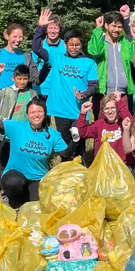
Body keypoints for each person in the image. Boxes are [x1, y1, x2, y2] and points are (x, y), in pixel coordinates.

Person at [0, 97, 78, 208]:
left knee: (37, 207)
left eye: (40, 111)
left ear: (45, 113)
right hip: (16, 174)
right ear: (27, 114)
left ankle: (28, 203)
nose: (36, 115)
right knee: (12, 182)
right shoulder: (17, 127)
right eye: (32, 112)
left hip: (39, 178)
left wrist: (75, 141)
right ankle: (16, 204)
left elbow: (65, 154)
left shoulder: (53, 135)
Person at [32, 9, 98, 161]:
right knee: (65, 142)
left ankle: (80, 164)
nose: (74, 47)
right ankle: (66, 166)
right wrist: (40, 28)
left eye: (77, 44)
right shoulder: (57, 58)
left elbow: (93, 85)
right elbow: (36, 47)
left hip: (79, 110)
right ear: (66, 45)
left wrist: (85, 94)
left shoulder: (89, 63)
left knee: (79, 138)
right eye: (71, 45)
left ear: (81, 45)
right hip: (60, 109)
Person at [0, 63, 38, 174]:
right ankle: (5, 186)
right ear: (13, 78)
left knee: (23, 161)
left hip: (23, 134)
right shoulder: (5, 91)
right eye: (19, 78)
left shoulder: (32, 94)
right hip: (5, 134)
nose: (22, 82)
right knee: (5, 162)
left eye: (25, 79)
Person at [0, 23, 40, 116]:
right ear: (7, 36)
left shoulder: (27, 57)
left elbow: (36, 79)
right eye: (15, 36)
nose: (18, 40)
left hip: (18, 100)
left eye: (21, 37)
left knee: (12, 130)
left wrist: (47, 66)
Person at [88, 10, 135, 117]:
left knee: (123, 126)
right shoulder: (99, 40)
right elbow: (95, 51)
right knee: (102, 127)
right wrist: (97, 29)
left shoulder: (125, 42)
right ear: (106, 25)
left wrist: (134, 40)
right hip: (103, 93)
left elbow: (134, 59)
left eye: (119, 27)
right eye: (113, 26)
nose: (116, 30)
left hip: (122, 94)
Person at [75, 91, 134, 167]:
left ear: (117, 109)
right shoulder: (99, 124)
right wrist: (83, 113)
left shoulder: (123, 123)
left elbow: (131, 123)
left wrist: (119, 102)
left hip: (122, 164)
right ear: (103, 111)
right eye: (106, 109)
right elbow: (82, 132)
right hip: (103, 165)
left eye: (113, 108)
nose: (110, 112)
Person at [32, 14, 64, 98]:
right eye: (50, 28)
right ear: (46, 30)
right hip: (40, 89)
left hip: (59, 90)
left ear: (60, 30)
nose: (53, 31)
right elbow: (33, 67)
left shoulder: (66, 46)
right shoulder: (39, 45)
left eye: (56, 28)